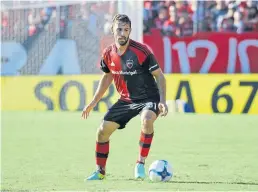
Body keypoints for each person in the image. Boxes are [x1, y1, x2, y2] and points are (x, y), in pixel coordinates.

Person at [82, 14, 168, 180]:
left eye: (126, 30)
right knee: (102, 131)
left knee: (147, 120)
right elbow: (107, 77)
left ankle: (140, 164)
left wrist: (162, 101)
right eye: (119, 29)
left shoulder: (141, 51)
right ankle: (100, 172)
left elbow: (160, 76)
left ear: (130, 31)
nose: (122, 33)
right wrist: (93, 102)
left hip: (148, 98)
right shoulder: (108, 53)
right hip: (127, 100)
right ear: (113, 30)